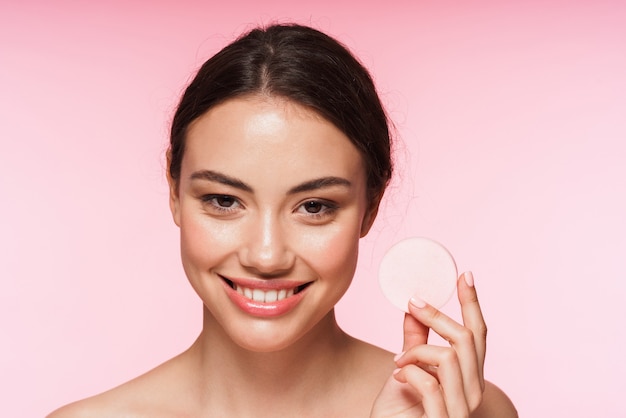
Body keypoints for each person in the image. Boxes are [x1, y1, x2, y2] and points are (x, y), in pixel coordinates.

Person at [49, 23, 517, 417]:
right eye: (224, 200)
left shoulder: (468, 410)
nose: (266, 256)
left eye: (314, 206)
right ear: (174, 190)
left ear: (371, 205)